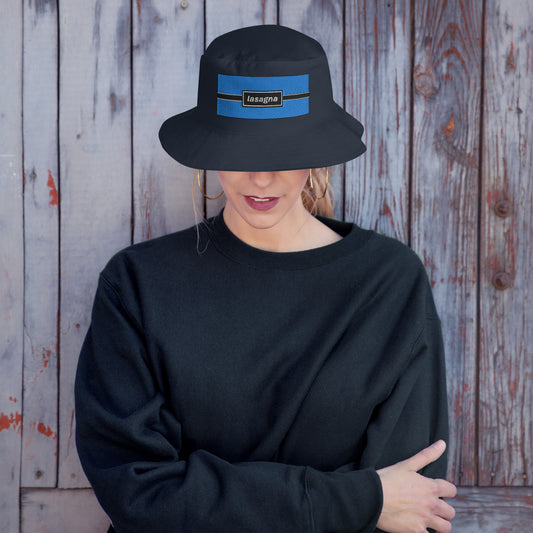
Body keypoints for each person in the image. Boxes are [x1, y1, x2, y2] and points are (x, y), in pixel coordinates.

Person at [75, 24, 456, 533]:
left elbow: (410, 504)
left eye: (284, 150)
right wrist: (357, 498)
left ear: (317, 150)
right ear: (210, 145)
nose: (260, 177)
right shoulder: (137, 285)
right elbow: (137, 489)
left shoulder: (390, 284)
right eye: (240, 149)